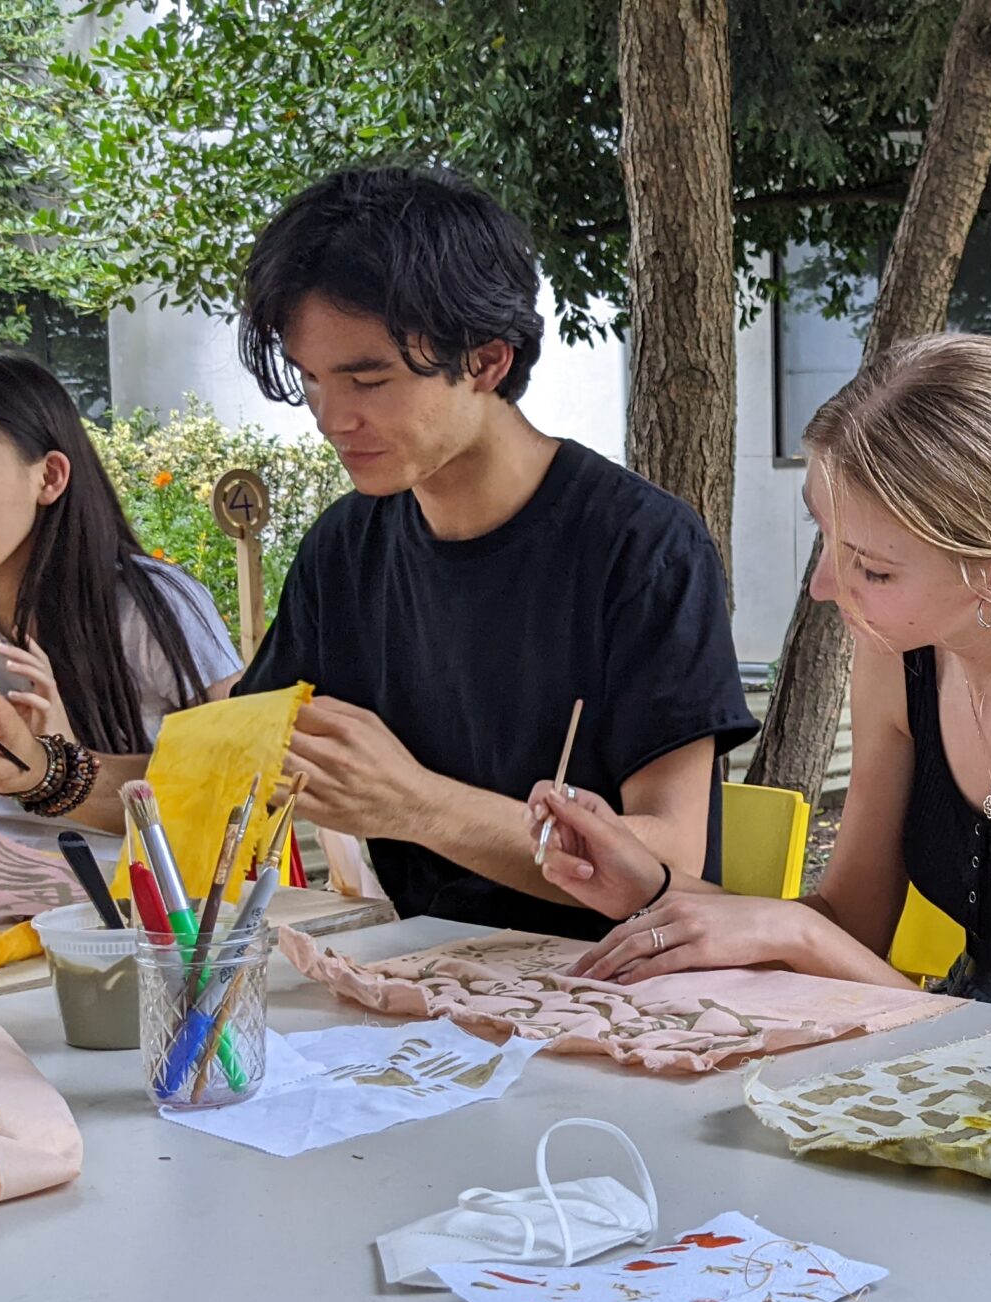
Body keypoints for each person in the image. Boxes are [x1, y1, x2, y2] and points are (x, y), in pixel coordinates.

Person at [531, 333, 991, 1024]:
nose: (823, 586)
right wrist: (653, 885)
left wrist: (795, 934)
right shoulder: (904, 653)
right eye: (825, 537)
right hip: (967, 1037)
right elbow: (853, 923)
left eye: (872, 568)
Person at [231, 167, 756, 939]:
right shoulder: (345, 549)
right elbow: (229, 767)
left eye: (368, 379)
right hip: (418, 984)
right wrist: (47, 774)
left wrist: (412, 802)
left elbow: (672, 859)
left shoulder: (642, 547)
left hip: (616, 991)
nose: (332, 419)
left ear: (485, 361)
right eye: (312, 382)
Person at [0, 352, 241, 861]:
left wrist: (55, 769)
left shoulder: (148, 606)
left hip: (142, 913)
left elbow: (240, 788)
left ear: (49, 477)